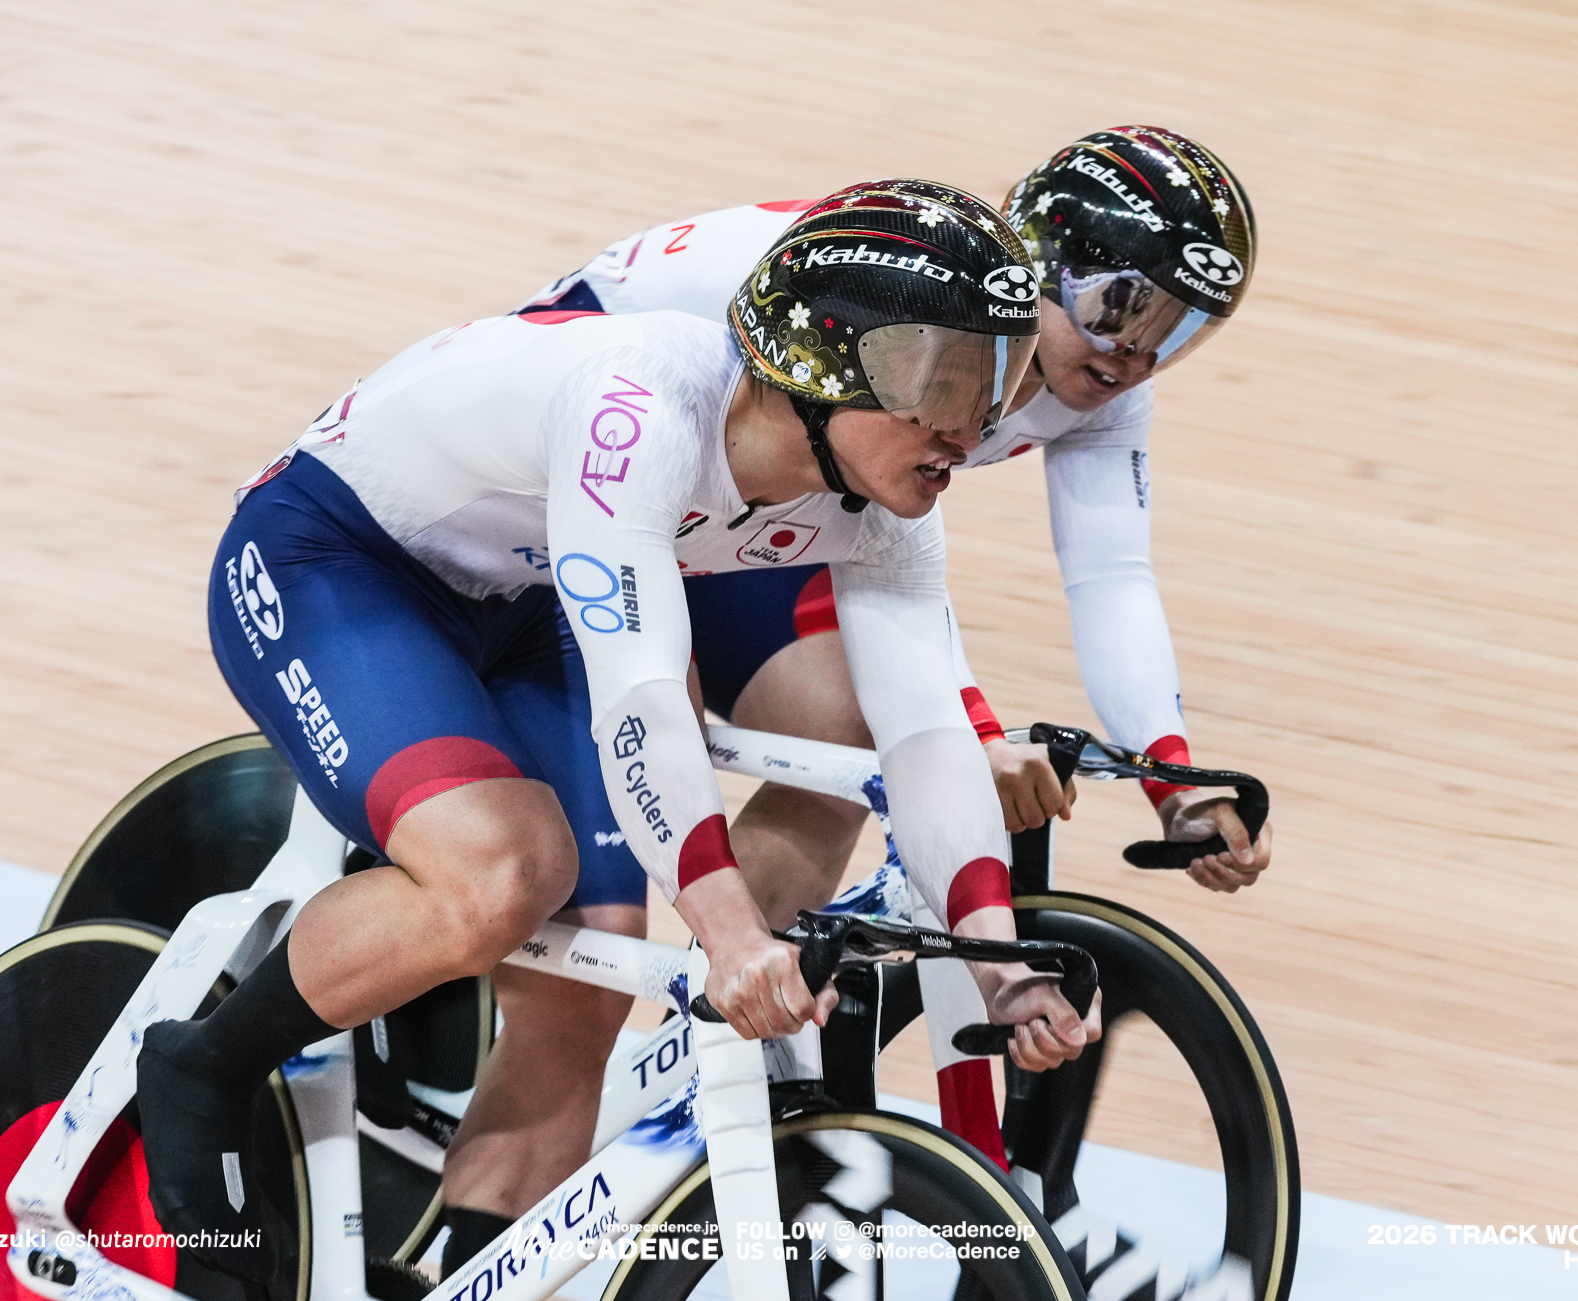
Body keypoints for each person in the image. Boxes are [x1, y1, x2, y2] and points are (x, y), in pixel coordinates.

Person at [137, 179, 1099, 1283]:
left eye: (996, 379)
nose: (973, 427)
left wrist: (996, 963)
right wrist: (732, 934)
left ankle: (467, 1270)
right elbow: (641, 702)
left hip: (529, 590)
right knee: (504, 874)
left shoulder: (885, 505)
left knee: (586, 975)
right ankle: (207, 1063)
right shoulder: (640, 406)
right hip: (338, 560)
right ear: (822, 365)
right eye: (943, 381)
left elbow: (924, 737)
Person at [518, 127, 1276, 929]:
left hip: (754, 492)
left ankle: (737, 995)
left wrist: (1172, 778)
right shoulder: (916, 317)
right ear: (1041, 261)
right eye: (1117, 308)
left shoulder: (1101, 388)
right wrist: (978, 733)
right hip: (595, 449)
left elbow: (1112, 578)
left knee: (850, 738)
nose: (1133, 356)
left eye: (1174, 331)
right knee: (650, 753)